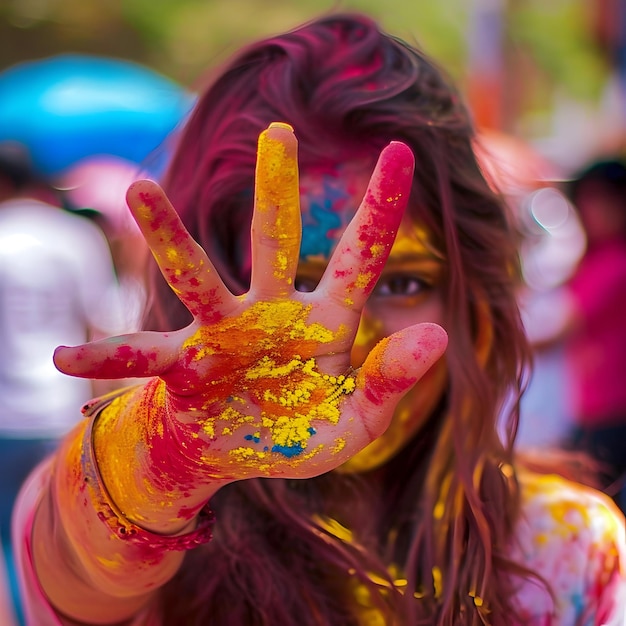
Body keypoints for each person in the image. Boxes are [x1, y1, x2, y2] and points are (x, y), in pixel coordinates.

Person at [12, 14, 625, 626]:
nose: (347, 344)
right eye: (296, 287)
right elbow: (80, 565)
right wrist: (171, 454)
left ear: (474, 303)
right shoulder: (123, 507)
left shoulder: (566, 550)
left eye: (405, 284)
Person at [0, 141, 129, 624]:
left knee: (9, 541)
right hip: (62, 410)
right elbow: (103, 330)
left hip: (4, 418)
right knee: (65, 541)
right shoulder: (76, 236)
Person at [529, 157, 626, 512]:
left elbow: (556, 331)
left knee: (593, 510)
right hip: (590, 407)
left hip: (610, 410)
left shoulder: (616, 262)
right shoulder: (595, 260)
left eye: (605, 199)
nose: (593, 209)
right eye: (587, 199)